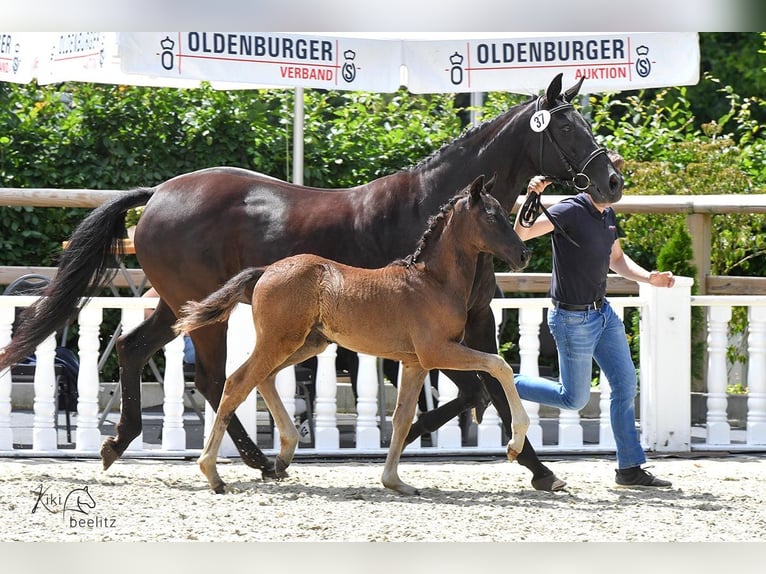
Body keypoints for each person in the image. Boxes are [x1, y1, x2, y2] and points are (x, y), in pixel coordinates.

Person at [513, 153, 674, 488]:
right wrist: (532, 196)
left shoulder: (608, 214)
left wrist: (649, 278)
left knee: (626, 384)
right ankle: (503, 382)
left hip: (603, 314)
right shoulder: (570, 209)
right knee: (574, 399)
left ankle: (629, 468)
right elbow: (521, 234)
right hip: (571, 318)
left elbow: (616, 259)